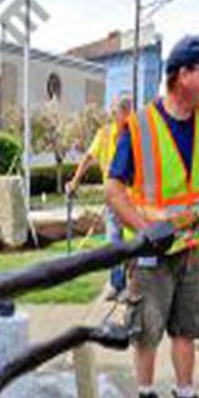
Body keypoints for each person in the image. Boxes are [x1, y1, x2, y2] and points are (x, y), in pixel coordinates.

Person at [106, 35, 199, 398]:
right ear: (182, 75)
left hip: (192, 250)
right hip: (152, 254)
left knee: (187, 327)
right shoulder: (141, 125)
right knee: (147, 329)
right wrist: (145, 231)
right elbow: (114, 189)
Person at [68, 92, 134, 298]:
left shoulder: (135, 135)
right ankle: (117, 284)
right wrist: (75, 181)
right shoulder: (105, 134)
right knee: (114, 240)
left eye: (126, 111)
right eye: (122, 111)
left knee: (131, 241)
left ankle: (129, 285)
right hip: (115, 196)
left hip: (133, 197)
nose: (124, 115)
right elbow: (88, 158)